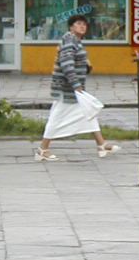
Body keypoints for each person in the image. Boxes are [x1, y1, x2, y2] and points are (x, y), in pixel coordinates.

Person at [34, 14, 120, 161]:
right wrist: (76, 84)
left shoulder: (76, 41)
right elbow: (66, 63)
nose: (82, 26)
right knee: (56, 118)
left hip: (72, 88)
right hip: (67, 88)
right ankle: (42, 149)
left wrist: (85, 67)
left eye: (84, 24)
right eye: (79, 24)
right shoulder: (69, 40)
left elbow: (74, 61)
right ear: (71, 27)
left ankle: (101, 144)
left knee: (89, 113)